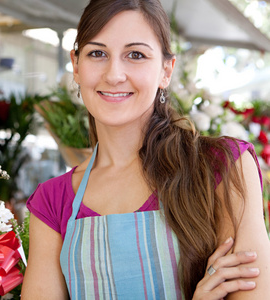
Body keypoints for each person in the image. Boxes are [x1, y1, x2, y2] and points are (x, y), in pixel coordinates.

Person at [21, 0, 270, 299]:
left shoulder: (222, 166)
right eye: (97, 53)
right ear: (76, 65)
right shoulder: (51, 201)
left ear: (166, 70)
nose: (114, 75)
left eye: (136, 55)